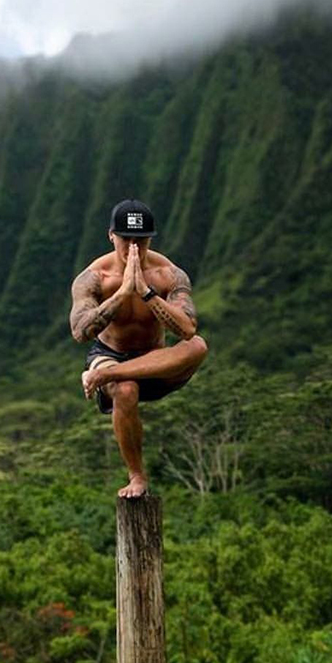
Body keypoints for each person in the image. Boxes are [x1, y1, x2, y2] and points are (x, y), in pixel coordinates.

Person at [69, 198, 208, 498]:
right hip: (109, 355)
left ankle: (107, 376)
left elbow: (187, 329)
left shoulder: (168, 274)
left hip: (154, 359)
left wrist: (145, 293)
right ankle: (137, 476)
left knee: (197, 346)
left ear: (150, 239)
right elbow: (80, 332)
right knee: (126, 389)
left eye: (141, 240)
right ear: (111, 236)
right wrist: (123, 293)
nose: (134, 247)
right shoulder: (95, 278)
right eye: (126, 239)